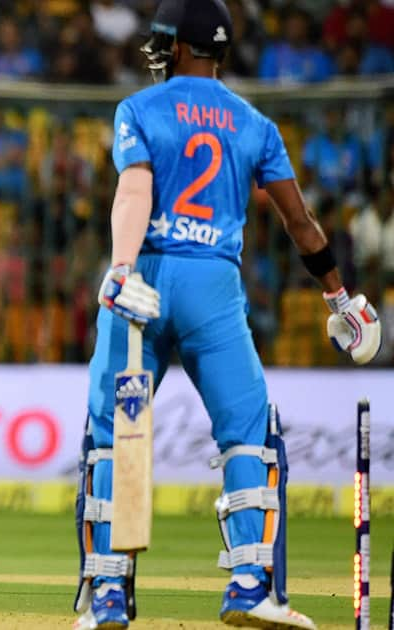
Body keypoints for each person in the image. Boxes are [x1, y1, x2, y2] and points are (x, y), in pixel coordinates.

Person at [72, 2, 382, 629]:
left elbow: (134, 190)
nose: (156, 50)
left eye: (163, 40)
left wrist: (123, 268)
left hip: (146, 281)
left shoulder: (138, 109)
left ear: (182, 47)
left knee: (110, 436)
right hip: (213, 287)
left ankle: (107, 596)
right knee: (246, 432)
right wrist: (338, 296)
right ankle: (248, 585)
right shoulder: (253, 123)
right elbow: (300, 223)